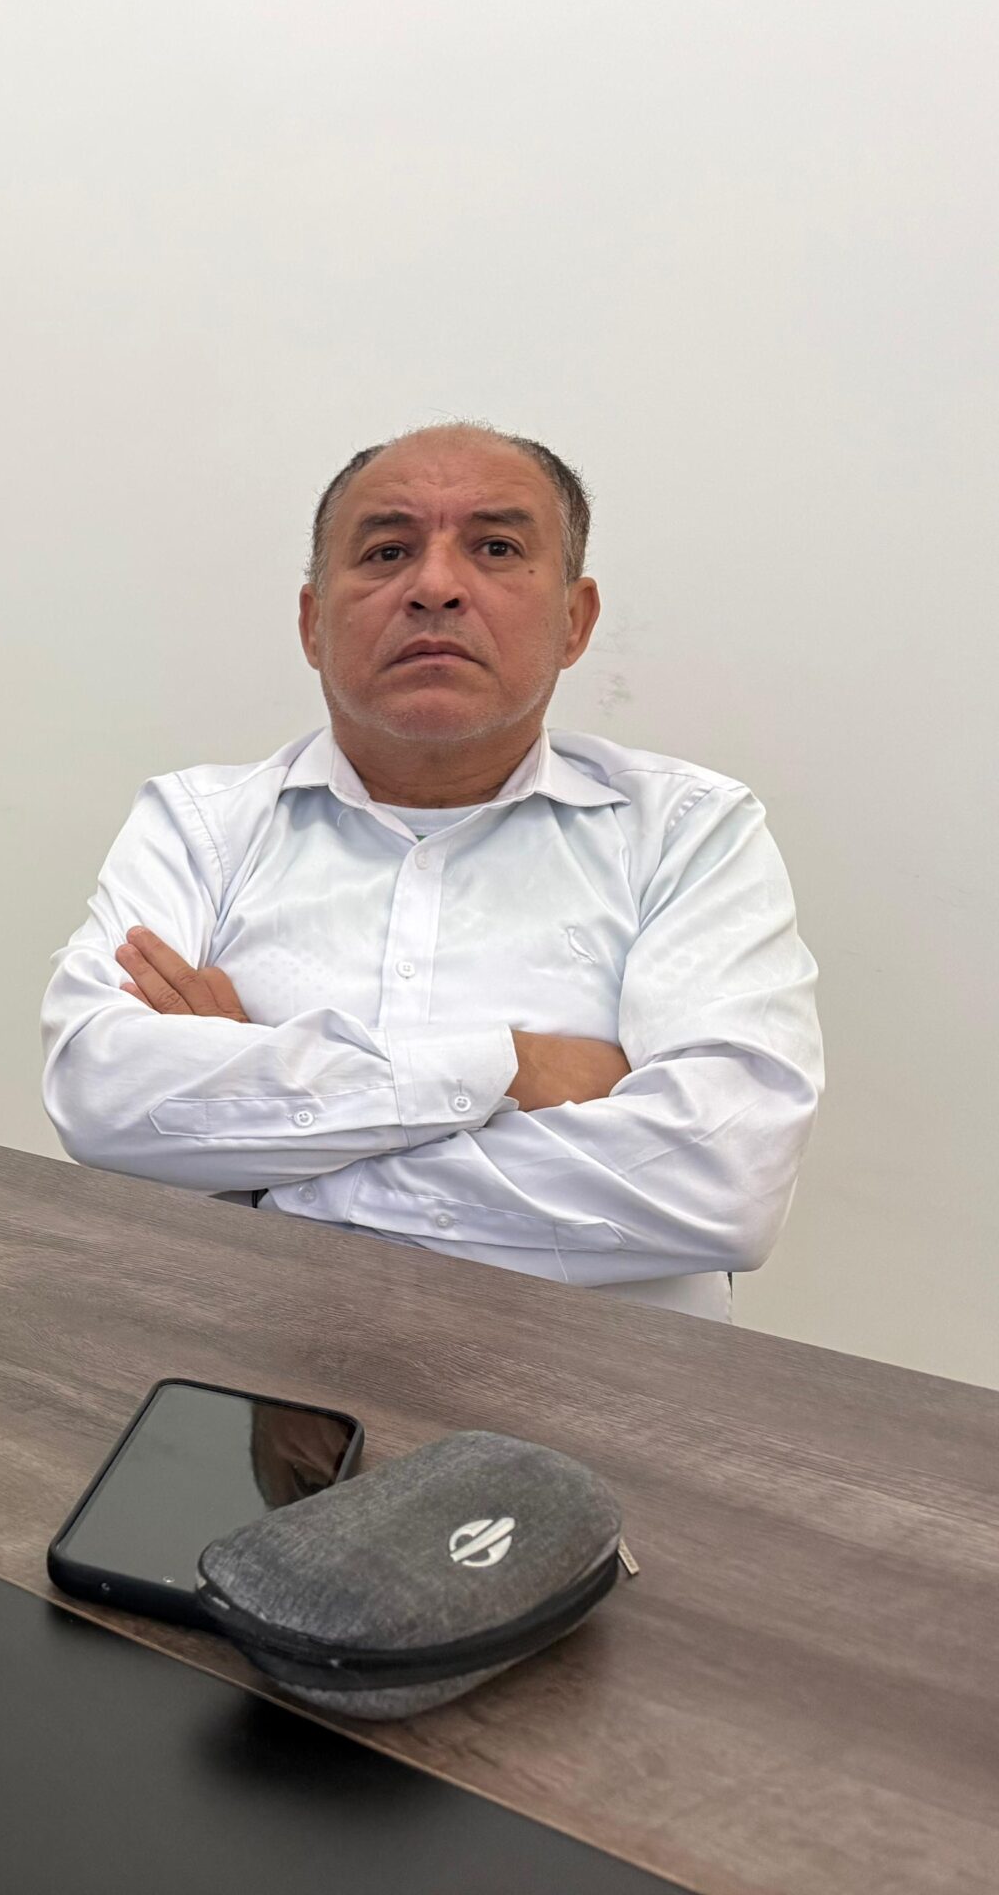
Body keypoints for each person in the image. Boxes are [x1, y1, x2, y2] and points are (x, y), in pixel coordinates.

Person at [40, 424, 822, 1318]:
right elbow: (101, 1094)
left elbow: (722, 1183)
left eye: (496, 549)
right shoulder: (200, 826)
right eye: (387, 551)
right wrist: (508, 1069)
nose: (436, 587)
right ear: (313, 623)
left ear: (574, 621)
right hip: (233, 1360)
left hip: (598, 1386)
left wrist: (267, 1166)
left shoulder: (687, 833)